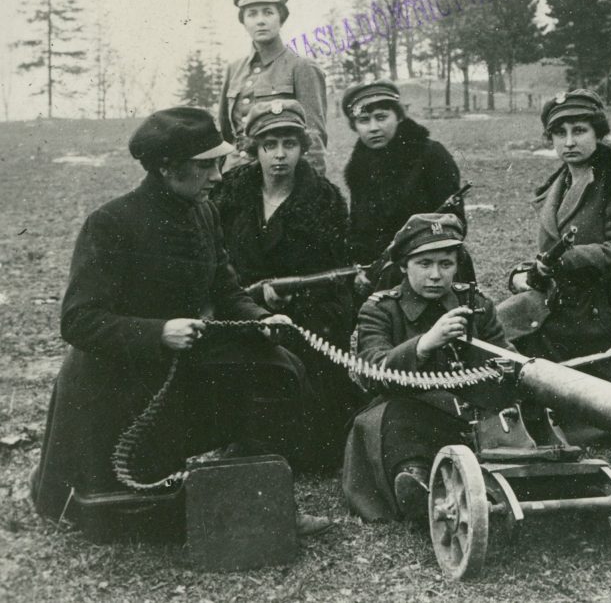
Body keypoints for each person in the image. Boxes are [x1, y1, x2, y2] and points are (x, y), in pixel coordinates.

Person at [30, 107, 329, 536]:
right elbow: (78, 321)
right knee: (129, 518)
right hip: (120, 380)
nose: (218, 176)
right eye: (205, 166)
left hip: (186, 357)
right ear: (167, 168)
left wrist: (261, 318)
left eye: (219, 163)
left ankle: (255, 492)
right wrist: (158, 333)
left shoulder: (202, 210)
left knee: (279, 366)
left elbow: (223, 287)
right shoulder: (112, 222)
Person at [212, 99, 363, 473]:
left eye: (289, 145)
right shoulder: (229, 193)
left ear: (302, 148)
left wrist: (292, 303)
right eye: (269, 145)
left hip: (306, 321)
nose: (279, 156)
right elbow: (214, 258)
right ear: (254, 149)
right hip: (238, 311)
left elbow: (337, 279)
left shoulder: (324, 200)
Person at [341, 213, 512, 523]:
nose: (436, 275)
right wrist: (423, 344)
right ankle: (416, 485)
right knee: (398, 417)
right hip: (410, 415)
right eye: (424, 264)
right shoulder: (381, 308)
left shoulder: (476, 304)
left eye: (446, 264)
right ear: (404, 266)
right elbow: (371, 371)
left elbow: (504, 355)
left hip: (469, 412)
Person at [504, 90, 611, 394]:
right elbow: (550, 250)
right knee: (493, 329)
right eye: (559, 133)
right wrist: (526, 271)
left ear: (599, 133)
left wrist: (559, 262)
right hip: (560, 299)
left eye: (579, 131)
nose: (569, 142)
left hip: (604, 309)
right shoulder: (558, 184)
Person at [341, 80, 468, 294]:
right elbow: (358, 228)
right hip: (375, 275)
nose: (373, 128)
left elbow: (454, 223)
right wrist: (358, 267)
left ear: (399, 117)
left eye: (381, 117)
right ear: (355, 126)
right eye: (364, 120)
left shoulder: (431, 155)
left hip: (431, 271)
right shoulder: (358, 167)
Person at [218, 0, 329, 176]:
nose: (260, 20)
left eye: (268, 12)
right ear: (243, 21)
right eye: (252, 14)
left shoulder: (302, 67)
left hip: (280, 178)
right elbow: (226, 137)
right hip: (234, 178)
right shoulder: (234, 69)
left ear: (281, 18)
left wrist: (313, 190)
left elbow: (314, 137)